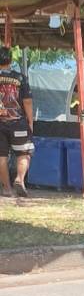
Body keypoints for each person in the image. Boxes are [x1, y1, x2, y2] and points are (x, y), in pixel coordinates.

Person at [0, 46, 34, 199]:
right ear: (11, 60)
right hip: (18, 122)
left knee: (1, 156)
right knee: (24, 152)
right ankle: (19, 179)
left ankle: (6, 189)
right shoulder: (20, 78)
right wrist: (30, 122)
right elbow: (27, 101)